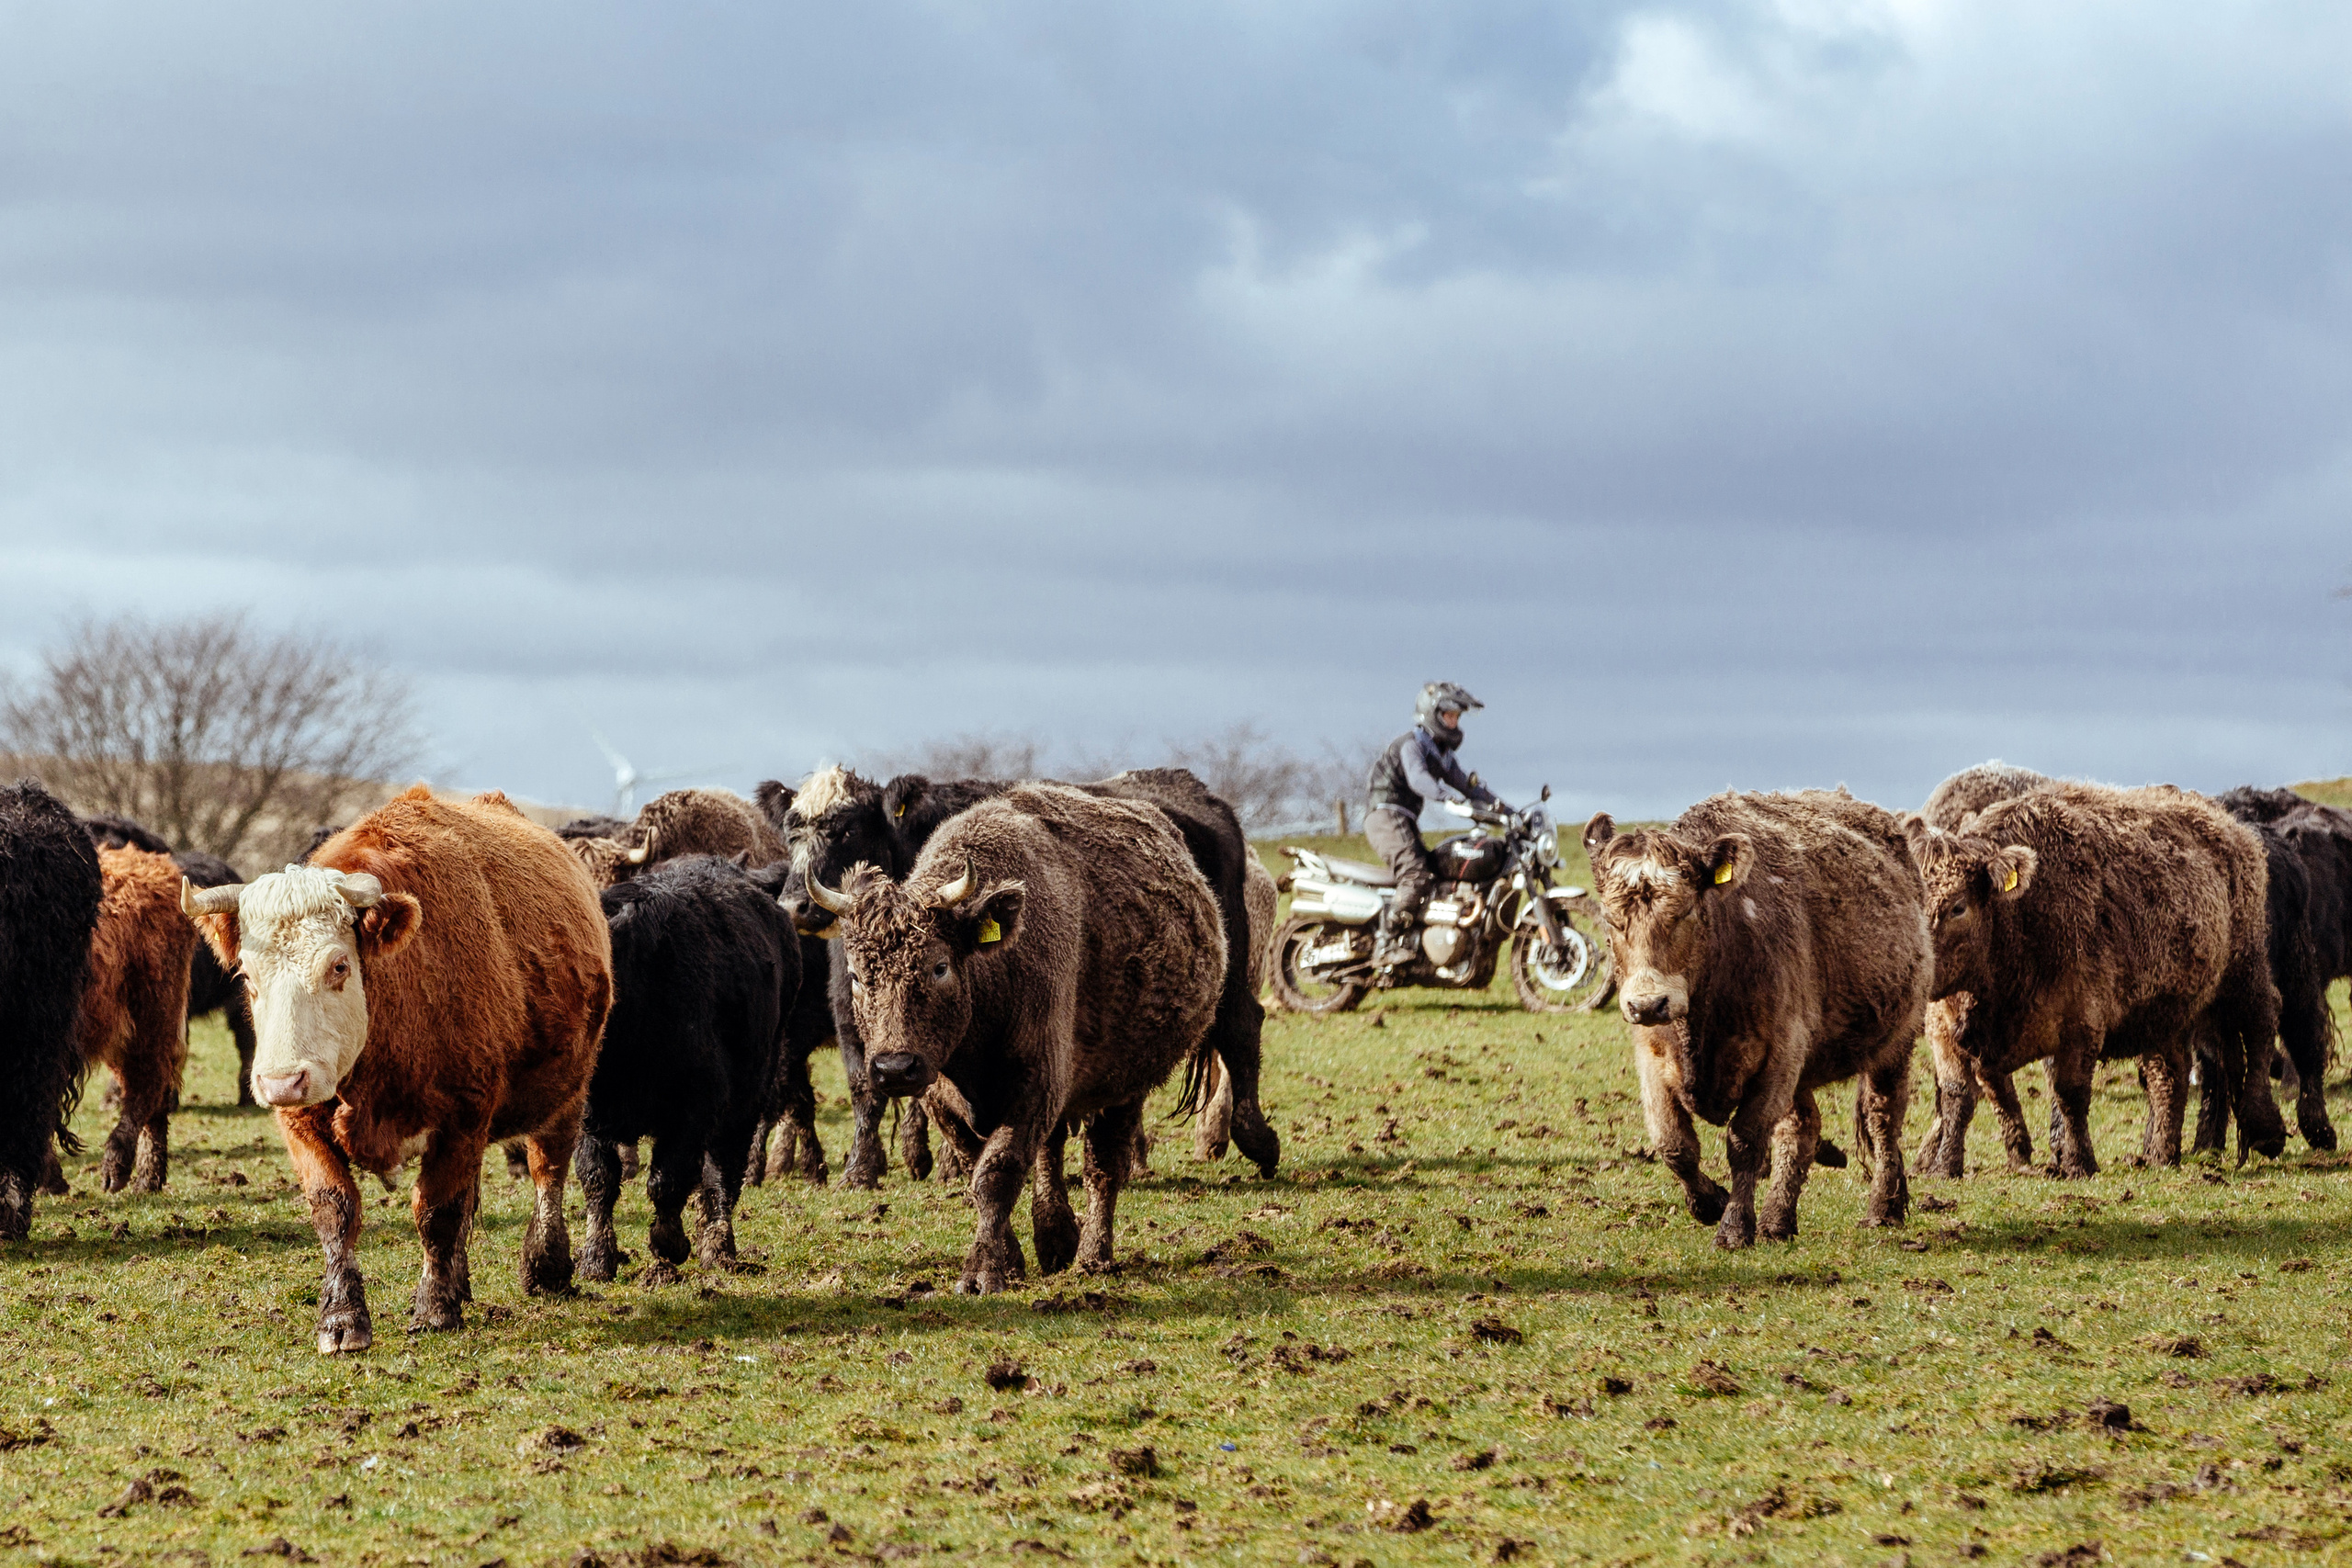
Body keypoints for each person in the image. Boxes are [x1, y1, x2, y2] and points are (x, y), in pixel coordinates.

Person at [1363, 682, 1501, 966]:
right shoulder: (1411, 745)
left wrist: (1509, 812)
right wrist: (1447, 797)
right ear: (1432, 713)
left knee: (1437, 875)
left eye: (1457, 717)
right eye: (1449, 715)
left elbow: (1471, 787)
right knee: (1415, 874)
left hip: (1404, 820)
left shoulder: (1441, 754)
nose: (1453, 722)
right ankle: (1385, 944)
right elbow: (1418, 779)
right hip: (1386, 816)